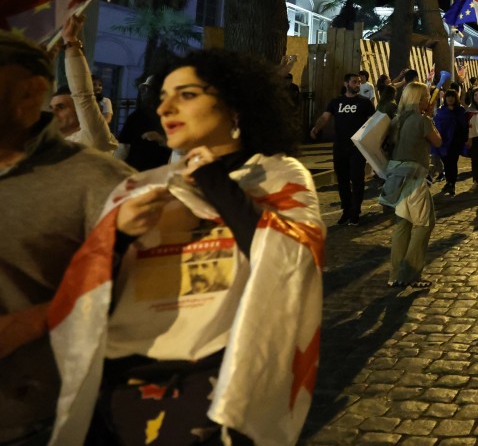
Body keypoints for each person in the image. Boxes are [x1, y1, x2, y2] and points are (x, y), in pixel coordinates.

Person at [48, 48, 325, 444]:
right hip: (122, 388)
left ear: (235, 105)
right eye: (162, 97)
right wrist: (118, 234)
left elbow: (290, 262)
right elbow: (85, 294)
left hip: (218, 384)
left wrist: (212, 180)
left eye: (187, 94)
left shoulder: (280, 178)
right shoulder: (139, 188)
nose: (165, 108)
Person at [0, 31, 133, 445]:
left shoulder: (97, 177)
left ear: (29, 93)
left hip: (43, 419)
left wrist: (33, 321)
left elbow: (149, 292)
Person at [382, 82, 441, 291]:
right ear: (419, 99)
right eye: (425, 96)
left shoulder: (396, 120)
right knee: (425, 223)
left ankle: (395, 275)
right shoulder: (422, 120)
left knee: (403, 224)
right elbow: (438, 141)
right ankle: (410, 274)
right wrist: (430, 117)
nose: (428, 100)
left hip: (395, 176)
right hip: (414, 176)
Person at [310, 72, 375, 225]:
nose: (357, 85)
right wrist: (316, 128)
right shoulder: (336, 102)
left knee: (357, 179)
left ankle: (355, 211)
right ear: (346, 84)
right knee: (342, 180)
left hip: (357, 147)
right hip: (340, 146)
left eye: (358, 82)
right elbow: (325, 117)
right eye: (354, 82)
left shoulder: (365, 102)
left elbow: (372, 121)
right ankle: (346, 210)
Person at [48, 14, 119, 154]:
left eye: (61, 107)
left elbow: (83, 95)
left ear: (80, 112)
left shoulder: (92, 138)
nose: (52, 113)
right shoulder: (47, 142)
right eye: (51, 107)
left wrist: (70, 40)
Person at [115, 77, 173, 171]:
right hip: (137, 170)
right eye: (143, 89)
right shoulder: (137, 115)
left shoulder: (172, 117)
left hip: (158, 171)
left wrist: (161, 139)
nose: (144, 93)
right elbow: (123, 146)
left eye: (148, 90)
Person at [432, 89, 469, 195]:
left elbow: (464, 125)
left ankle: (451, 183)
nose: (450, 98)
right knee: (446, 162)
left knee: (452, 162)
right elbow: (437, 124)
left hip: (455, 141)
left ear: (456, 98)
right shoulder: (441, 110)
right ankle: (449, 182)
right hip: (443, 141)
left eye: (452, 96)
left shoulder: (460, 110)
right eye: (448, 96)